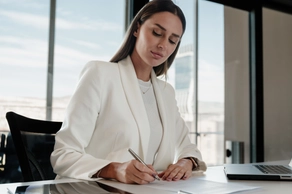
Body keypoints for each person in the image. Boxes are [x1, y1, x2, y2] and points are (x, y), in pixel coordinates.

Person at [50, 0, 207, 185]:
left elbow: (187, 147)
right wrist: (115, 169)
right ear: (137, 29)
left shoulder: (166, 92)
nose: (163, 45)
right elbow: (63, 155)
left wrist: (185, 162)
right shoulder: (100, 74)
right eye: (157, 33)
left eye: (173, 40)